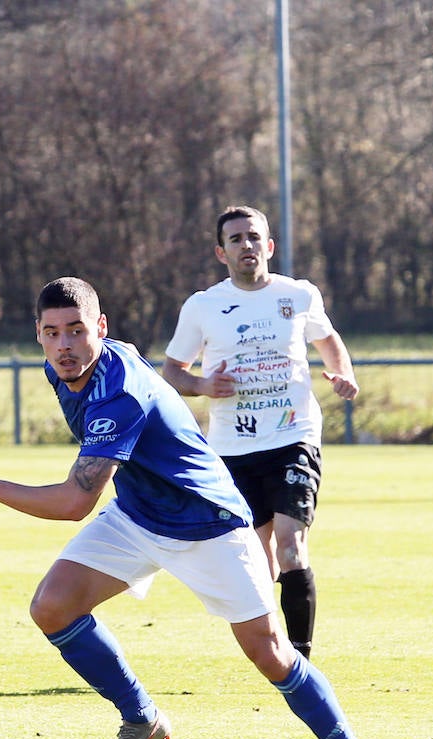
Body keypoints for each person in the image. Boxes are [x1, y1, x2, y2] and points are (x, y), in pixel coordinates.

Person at [0, 277, 391, 739]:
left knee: (270, 652)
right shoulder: (63, 369)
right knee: (53, 606)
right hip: (139, 515)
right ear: (39, 336)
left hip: (208, 523)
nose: (65, 345)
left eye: (76, 330)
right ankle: (140, 716)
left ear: (101, 327)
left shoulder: (118, 391)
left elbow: (75, 503)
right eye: (52, 333)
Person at [162, 206, 358, 659]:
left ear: (268, 246)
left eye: (254, 237)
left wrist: (341, 373)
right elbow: (173, 371)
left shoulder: (298, 295)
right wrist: (203, 385)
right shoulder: (203, 306)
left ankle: (300, 656)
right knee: (256, 558)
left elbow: (328, 340)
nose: (246, 245)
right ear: (221, 251)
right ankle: (271, 649)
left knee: (291, 545)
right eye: (236, 239)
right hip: (232, 449)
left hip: (293, 437)